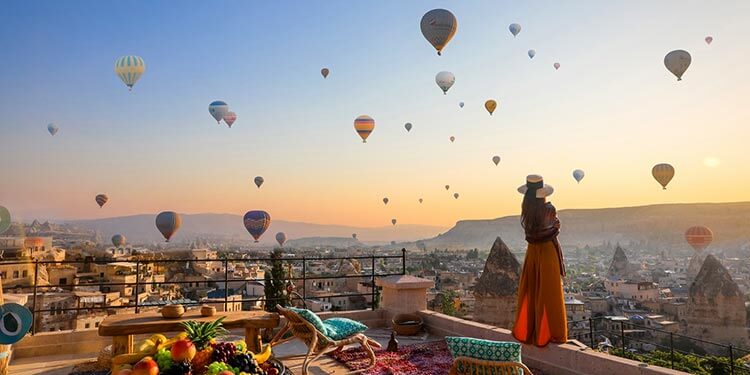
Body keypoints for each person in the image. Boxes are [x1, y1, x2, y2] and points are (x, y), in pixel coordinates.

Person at [512, 174, 568, 347]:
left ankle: (530, 329)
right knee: (549, 292)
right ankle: (552, 333)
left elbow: (532, 233)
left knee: (533, 288)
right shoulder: (549, 209)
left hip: (533, 252)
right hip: (547, 251)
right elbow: (554, 227)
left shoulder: (527, 210)